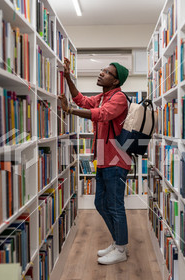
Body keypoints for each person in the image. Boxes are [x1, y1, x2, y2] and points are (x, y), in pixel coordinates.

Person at [58, 57, 132, 265]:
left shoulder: (118, 98)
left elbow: (100, 115)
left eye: (107, 72)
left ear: (116, 81)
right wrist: (67, 77)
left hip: (117, 160)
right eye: (102, 70)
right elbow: (82, 100)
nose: (101, 73)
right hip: (104, 159)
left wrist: (69, 111)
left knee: (115, 205)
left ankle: (121, 248)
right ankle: (118, 241)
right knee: (100, 202)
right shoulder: (103, 96)